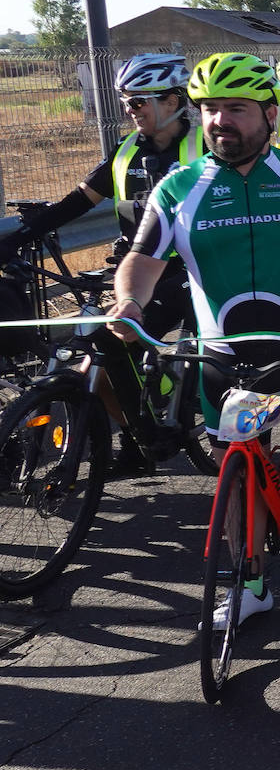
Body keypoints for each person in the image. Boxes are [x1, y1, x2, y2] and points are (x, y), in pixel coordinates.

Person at [109, 52, 280, 627]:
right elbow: (141, 259)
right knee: (237, 478)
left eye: (235, 109)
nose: (218, 121)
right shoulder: (178, 189)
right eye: (208, 109)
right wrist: (129, 302)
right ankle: (252, 584)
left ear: (268, 115)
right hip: (221, 359)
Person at [0, 53, 202, 475]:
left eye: (138, 102)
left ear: (172, 101)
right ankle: (139, 440)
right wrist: (20, 238)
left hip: (196, 275)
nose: (130, 111)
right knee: (104, 358)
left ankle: (223, 438)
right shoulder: (127, 150)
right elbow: (79, 201)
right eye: (127, 102)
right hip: (143, 274)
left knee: (207, 360)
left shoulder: (207, 147)